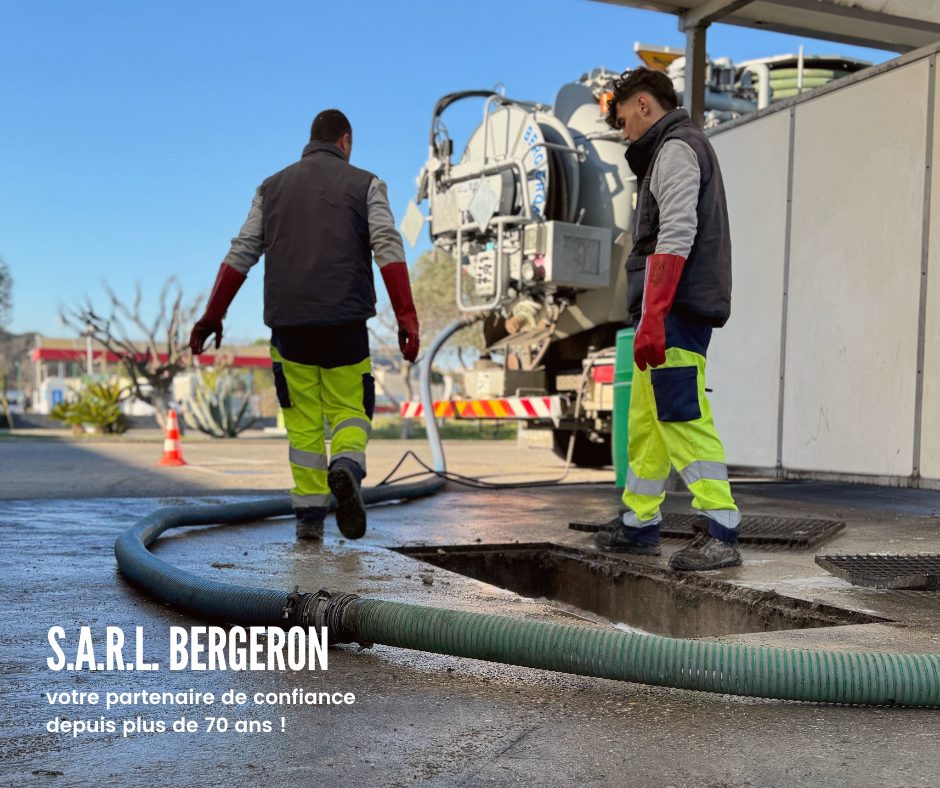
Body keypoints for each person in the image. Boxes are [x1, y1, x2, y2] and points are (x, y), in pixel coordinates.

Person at [189, 109, 419, 541]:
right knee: (350, 410)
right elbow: (387, 244)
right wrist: (406, 316)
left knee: (304, 425)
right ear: (345, 141)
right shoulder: (367, 184)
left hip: (289, 327)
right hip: (345, 324)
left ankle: (309, 521)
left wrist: (213, 314)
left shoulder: (270, 188)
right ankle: (347, 467)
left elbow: (242, 252)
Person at [594, 68, 741, 571]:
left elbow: (676, 233)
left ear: (642, 105)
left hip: (674, 307)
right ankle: (640, 524)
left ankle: (721, 528)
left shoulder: (677, 148)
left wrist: (655, 314)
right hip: (662, 308)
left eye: (622, 120)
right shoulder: (670, 149)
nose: (622, 132)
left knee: (680, 413)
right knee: (647, 421)